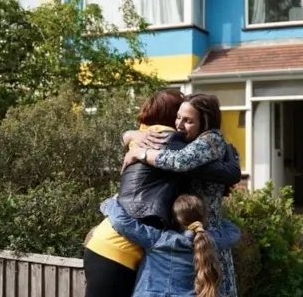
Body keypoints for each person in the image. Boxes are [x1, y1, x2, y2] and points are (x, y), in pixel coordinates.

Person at [84, 90, 241, 297]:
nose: (179, 125)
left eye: (187, 120)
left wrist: (137, 146)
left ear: (205, 121)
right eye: (178, 116)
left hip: (124, 241)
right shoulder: (164, 138)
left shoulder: (167, 140)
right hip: (128, 246)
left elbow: (182, 162)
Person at [101, 194, 241, 297]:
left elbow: (122, 223)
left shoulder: (158, 239)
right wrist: (210, 219)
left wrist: (110, 203)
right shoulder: (212, 240)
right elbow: (234, 232)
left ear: (173, 218)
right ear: (202, 218)